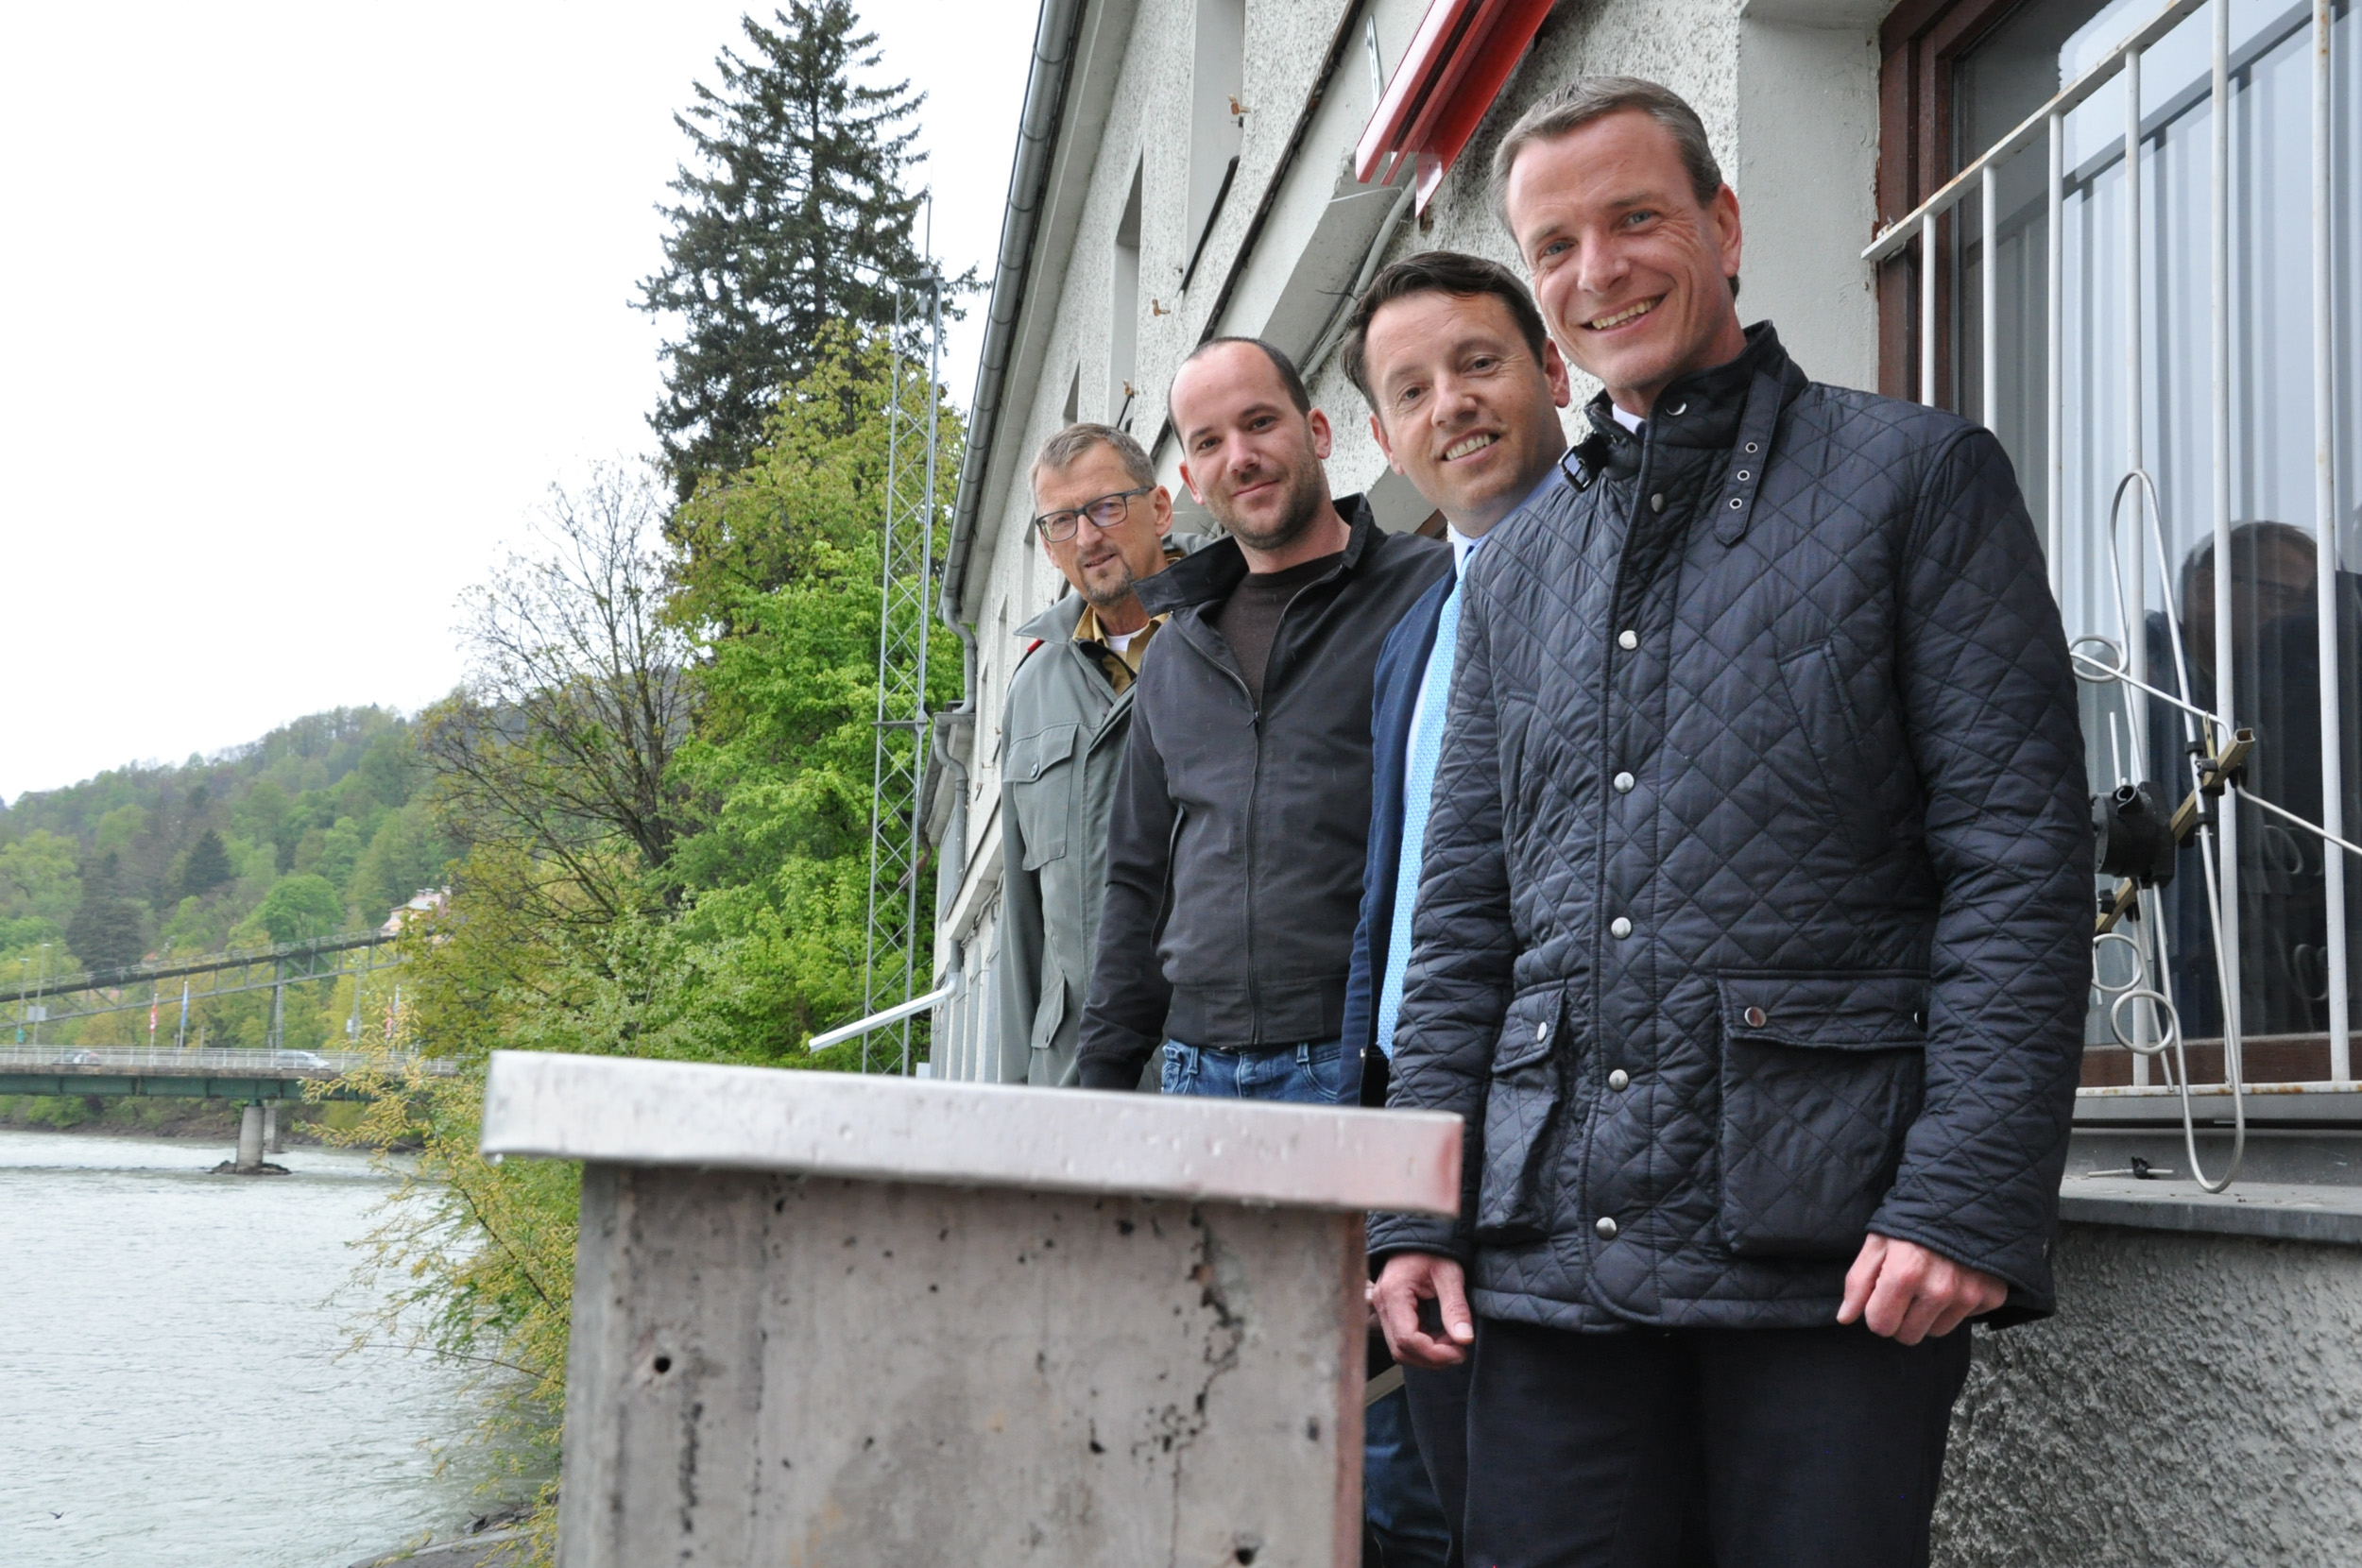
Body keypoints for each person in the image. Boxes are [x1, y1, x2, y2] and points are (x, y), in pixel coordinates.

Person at [1365, 77, 2092, 1568]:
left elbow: (2016, 864)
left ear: (1725, 224)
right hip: (1551, 1251)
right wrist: (1412, 1211)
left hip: (1829, 1250)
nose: (1598, 271)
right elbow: (1461, 930)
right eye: (1555, 244)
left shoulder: (1916, 481)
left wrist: (1965, 1194)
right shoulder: (1515, 570)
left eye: (1636, 220)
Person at [1074, 335, 1452, 1566]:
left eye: (1260, 423)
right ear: (1184, 477)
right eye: (1208, 440)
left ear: (1317, 428)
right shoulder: (1174, 646)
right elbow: (1134, 886)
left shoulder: (1428, 596)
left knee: (1390, 1459)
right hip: (1198, 1089)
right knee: (1222, 1432)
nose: (1240, 454)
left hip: (1361, 1088)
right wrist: (1093, 1104)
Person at [1332, 250, 1575, 1565]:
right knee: (1442, 1499)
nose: (1454, 407)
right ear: (1383, 436)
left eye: (1479, 365)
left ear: (1551, 367)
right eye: (1412, 389)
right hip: (1414, 1119)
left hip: (1554, 1119)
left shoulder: (1617, 579)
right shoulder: (1420, 628)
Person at [996, 422, 1193, 1087]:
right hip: (1074, 1071)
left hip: (1210, 1062)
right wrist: (1017, 1091)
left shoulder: (1231, 632)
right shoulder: (1031, 688)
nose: (1087, 537)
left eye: (1106, 507)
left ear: (1159, 509)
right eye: (1061, 522)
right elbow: (1023, 921)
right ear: (1049, 549)